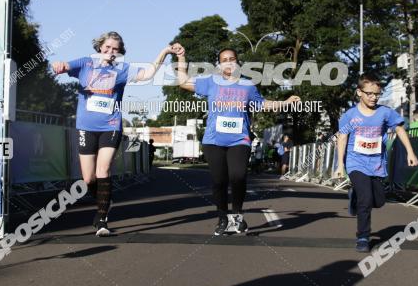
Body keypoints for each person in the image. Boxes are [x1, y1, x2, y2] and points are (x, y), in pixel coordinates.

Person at [53, 32, 179, 237]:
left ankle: (102, 220)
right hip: (85, 126)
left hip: (110, 126)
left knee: (104, 170)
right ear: (100, 47)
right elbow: (64, 66)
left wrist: (164, 52)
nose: (111, 52)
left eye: (115, 49)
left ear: (120, 52)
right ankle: (105, 200)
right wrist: (58, 65)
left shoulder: (122, 70)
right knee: (88, 178)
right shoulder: (85, 64)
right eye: (108, 47)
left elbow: (147, 74)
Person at [174, 45, 300, 235]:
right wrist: (182, 57)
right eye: (224, 60)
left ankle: (238, 217)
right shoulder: (211, 82)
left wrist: (285, 102)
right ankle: (223, 218)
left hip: (239, 140)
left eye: (232, 59)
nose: (228, 62)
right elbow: (183, 82)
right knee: (219, 181)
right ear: (218, 65)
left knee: (238, 176)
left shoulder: (247, 85)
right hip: (213, 140)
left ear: (238, 62)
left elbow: (263, 104)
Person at [336, 73, 418, 252]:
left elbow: (399, 129)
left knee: (378, 201)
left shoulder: (384, 113)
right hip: (355, 161)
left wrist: (410, 152)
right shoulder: (350, 116)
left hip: (377, 163)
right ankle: (363, 237)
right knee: (366, 200)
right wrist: (340, 165)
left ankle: (354, 196)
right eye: (369, 94)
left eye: (377, 94)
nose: (373, 97)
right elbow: (342, 138)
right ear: (359, 92)